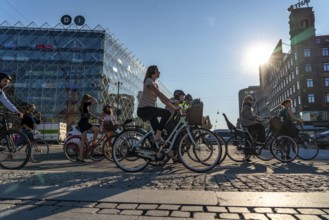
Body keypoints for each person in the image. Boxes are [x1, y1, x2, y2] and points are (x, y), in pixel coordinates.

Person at [137, 65, 179, 144]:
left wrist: (174, 107)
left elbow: (162, 100)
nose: (159, 72)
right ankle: (156, 137)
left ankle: (158, 151)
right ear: (153, 72)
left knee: (160, 133)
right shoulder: (148, 81)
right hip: (144, 109)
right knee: (166, 113)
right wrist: (171, 101)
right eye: (157, 70)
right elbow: (159, 94)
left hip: (150, 111)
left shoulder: (155, 84)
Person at [77, 94, 99, 163]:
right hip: (83, 123)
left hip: (84, 123)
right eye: (89, 99)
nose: (90, 100)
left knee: (83, 141)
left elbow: (90, 114)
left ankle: (80, 157)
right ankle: (93, 143)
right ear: (87, 99)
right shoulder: (85, 104)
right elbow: (96, 102)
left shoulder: (84, 105)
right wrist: (92, 97)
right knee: (96, 130)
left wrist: (98, 117)